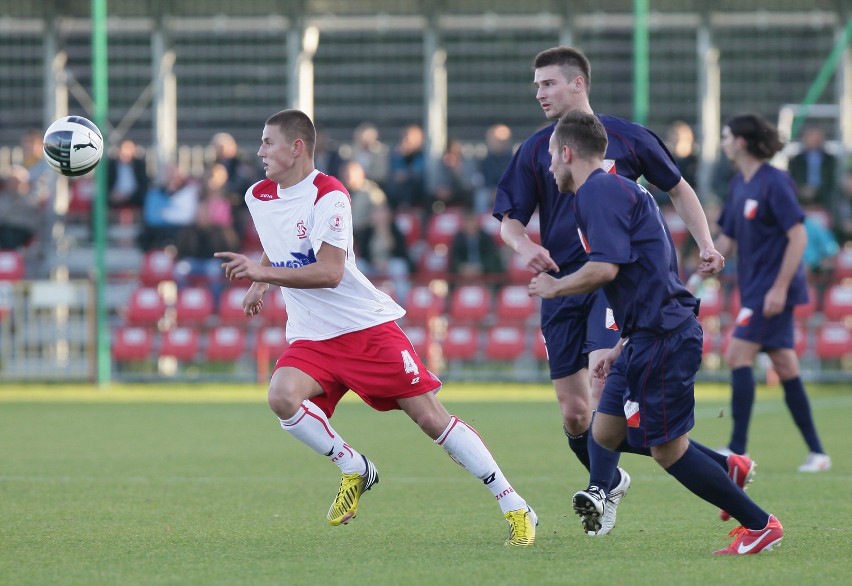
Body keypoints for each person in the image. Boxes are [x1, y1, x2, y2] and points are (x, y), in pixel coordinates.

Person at [214, 109, 536, 546]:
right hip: (312, 334)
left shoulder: (330, 195)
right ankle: (354, 467)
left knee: (428, 417)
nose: (260, 151)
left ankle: (514, 504)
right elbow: (282, 242)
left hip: (363, 329)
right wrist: (261, 279)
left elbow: (329, 272)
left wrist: (261, 274)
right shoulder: (257, 195)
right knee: (281, 396)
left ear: (297, 147)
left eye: (268, 142)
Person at [493, 46, 725, 535]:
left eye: (548, 83)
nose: (540, 93)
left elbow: (678, 187)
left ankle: (599, 492)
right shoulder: (537, 148)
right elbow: (508, 220)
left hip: (608, 281)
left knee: (604, 386)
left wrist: (705, 242)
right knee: (576, 415)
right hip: (560, 285)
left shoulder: (628, 138)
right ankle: (685, 469)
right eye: (536, 85)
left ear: (579, 83)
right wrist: (523, 246)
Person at [529, 110, 783, 555]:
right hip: (644, 335)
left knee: (668, 451)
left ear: (567, 153)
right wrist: (621, 343)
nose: (549, 168)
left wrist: (555, 286)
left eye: (551, 157)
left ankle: (760, 524)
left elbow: (605, 268)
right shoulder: (620, 189)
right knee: (604, 433)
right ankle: (727, 466)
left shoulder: (597, 194)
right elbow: (649, 271)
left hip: (664, 337)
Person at [709, 113, 831, 473]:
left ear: (742, 141)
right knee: (785, 364)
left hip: (772, 291)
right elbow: (727, 238)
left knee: (736, 354)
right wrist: (710, 259)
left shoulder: (775, 182)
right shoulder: (738, 184)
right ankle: (817, 452)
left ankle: (737, 449)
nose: (724, 142)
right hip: (753, 290)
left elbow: (799, 237)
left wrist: (779, 288)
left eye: (727, 135)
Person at [788, 125, 837, 211]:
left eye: (817, 137)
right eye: (812, 137)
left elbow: (832, 181)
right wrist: (803, 189)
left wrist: (817, 190)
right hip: (801, 196)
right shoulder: (796, 160)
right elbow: (792, 179)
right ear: (805, 139)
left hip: (824, 197)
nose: (815, 140)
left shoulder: (830, 160)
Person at [449, 208, 504, 286]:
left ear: (478, 222)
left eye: (472, 221)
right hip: (463, 275)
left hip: (484, 274)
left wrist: (481, 267)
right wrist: (462, 267)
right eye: (468, 221)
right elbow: (454, 258)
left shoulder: (486, 238)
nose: (470, 224)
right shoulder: (458, 239)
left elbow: (492, 257)